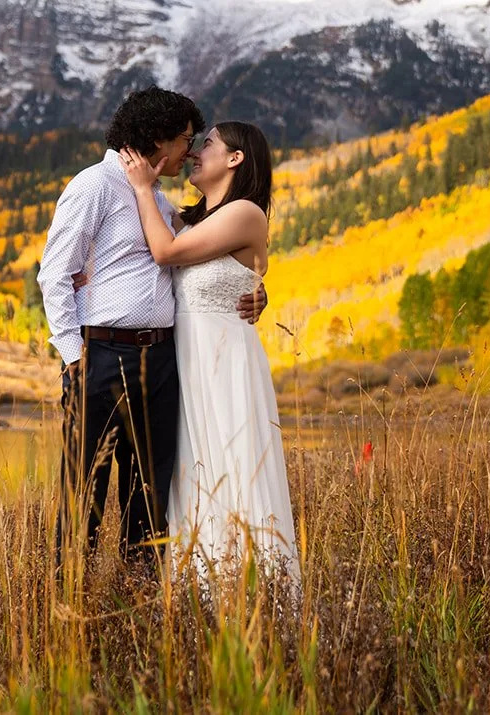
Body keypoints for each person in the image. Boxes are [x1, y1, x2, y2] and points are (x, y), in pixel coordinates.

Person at [39, 88, 265, 572]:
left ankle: (139, 599)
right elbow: (54, 274)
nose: (190, 151)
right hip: (101, 357)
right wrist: (74, 356)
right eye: (186, 139)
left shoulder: (159, 203)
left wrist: (253, 289)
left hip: (162, 362)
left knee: (150, 491)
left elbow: (209, 259)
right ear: (158, 139)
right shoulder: (94, 185)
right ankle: (66, 605)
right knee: (86, 488)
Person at [119, 121, 300, 584]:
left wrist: (142, 187)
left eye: (210, 144)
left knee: (232, 468)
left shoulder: (245, 213)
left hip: (225, 365)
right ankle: (199, 593)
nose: (198, 152)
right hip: (189, 364)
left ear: (236, 159)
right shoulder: (197, 218)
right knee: (193, 473)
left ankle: (251, 594)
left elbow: (164, 252)